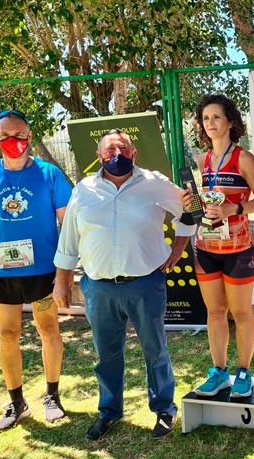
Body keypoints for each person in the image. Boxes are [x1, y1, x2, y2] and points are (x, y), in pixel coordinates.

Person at [52, 128, 196, 440]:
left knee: (154, 349)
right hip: (99, 287)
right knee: (106, 353)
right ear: (98, 156)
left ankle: (163, 410)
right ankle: (109, 412)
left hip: (144, 283)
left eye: (122, 148)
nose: (115, 154)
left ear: (133, 154)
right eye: (109, 149)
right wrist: (61, 281)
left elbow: (190, 208)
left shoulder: (154, 183)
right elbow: (69, 237)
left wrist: (178, 247)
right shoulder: (84, 189)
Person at [0, 109, 72, 433]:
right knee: (7, 334)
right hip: (2, 274)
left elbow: (68, 222)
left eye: (19, 134)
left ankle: (52, 396)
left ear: (29, 135)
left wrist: (65, 272)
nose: (13, 141)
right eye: (5, 136)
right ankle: (17, 403)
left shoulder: (49, 175)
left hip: (43, 273)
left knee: (48, 328)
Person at [181, 95, 254, 397]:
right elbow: (196, 208)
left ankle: (244, 372)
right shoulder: (199, 161)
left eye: (216, 117)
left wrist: (234, 210)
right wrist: (189, 202)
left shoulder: (243, 158)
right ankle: (219, 371)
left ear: (230, 121)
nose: (210, 124)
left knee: (241, 313)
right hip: (205, 248)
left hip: (238, 249)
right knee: (215, 312)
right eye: (205, 119)